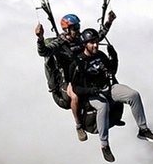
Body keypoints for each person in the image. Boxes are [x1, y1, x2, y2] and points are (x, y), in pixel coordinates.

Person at [69, 27, 153, 163]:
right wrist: (90, 91)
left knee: (133, 95)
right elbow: (75, 88)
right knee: (103, 107)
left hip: (108, 87)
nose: (95, 45)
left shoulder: (100, 55)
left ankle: (143, 129)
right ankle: (104, 145)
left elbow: (111, 72)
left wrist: (114, 57)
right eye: (91, 43)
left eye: (96, 42)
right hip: (93, 94)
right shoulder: (79, 62)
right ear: (85, 44)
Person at [36, 11, 116, 141]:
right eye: (74, 28)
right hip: (69, 80)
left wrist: (109, 22)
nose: (78, 31)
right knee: (75, 96)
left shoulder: (80, 39)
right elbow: (43, 52)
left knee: (107, 81)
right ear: (66, 29)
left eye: (78, 27)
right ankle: (79, 126)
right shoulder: (59, 44)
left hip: (83, 74)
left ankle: (111, 115)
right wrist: (40, 38)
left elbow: (98, 37)